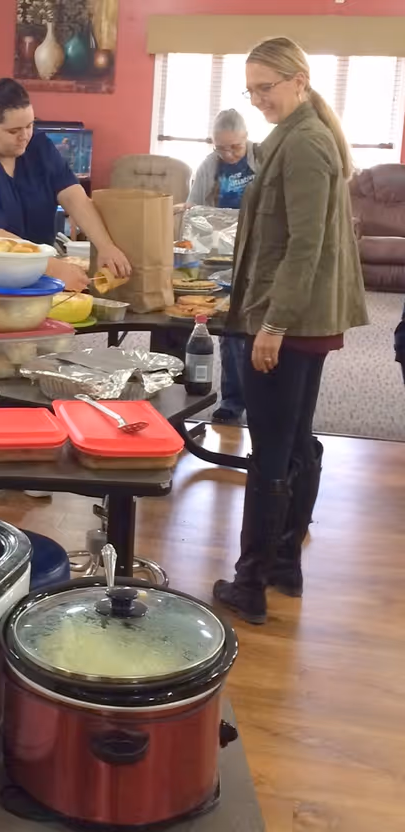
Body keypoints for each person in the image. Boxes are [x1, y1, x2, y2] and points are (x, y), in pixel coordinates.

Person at [213, 37, 368, 625]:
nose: (257, 101)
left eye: (266, 88)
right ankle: (284, 566)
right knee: (297, 440)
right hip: (305, 318)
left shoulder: (303, 144)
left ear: (298, 80)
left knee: (272, 450)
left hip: (289, 319)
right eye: (250, 90)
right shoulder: (304, 135)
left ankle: (250, 583)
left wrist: (272, 324)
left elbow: (304, 245)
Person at [0, 78, 130, 292]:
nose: (24, 136)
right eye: (13, 131)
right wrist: (53, 268)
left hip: (29, 279)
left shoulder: (39, 148)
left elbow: (73, 196)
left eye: (29, 125)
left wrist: (105, 246)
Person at [188, 109, 262, 424]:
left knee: (258, 330)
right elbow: (193, 210)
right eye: (222, 147)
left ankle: (263, 400)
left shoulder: (263, 157)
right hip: (219, 258)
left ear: (247, 138)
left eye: (235, 147)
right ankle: (233, 403)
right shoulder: (209, 165)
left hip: (260, 254)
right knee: (230, 331)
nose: (229, 154)